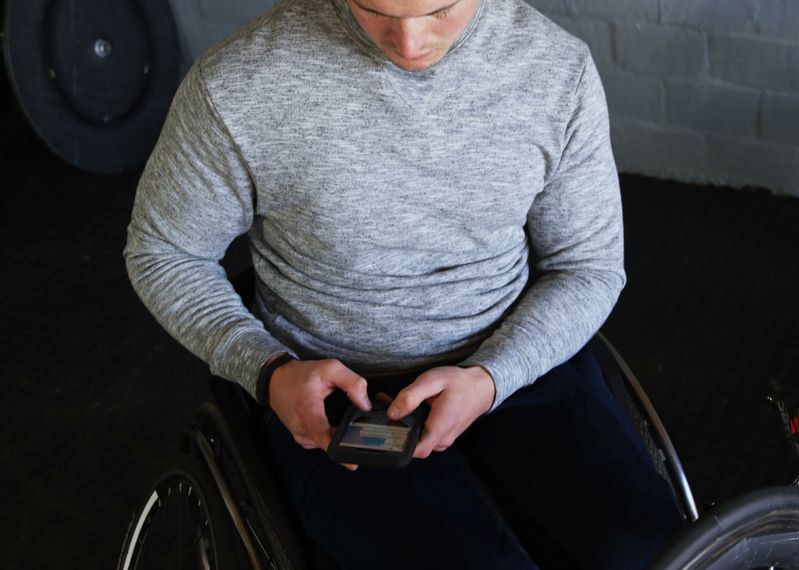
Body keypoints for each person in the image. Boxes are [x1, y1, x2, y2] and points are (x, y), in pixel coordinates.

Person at [124, 0, 684, 567]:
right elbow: (163, 251)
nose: (410, 44)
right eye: (374, 9)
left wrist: (493, 377)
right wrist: (267, 370)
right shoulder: (238, 84)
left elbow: (587, 265)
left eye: (440, 10)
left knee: (649, 556)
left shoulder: (556, 71)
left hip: (513, 365)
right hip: (334, 401)